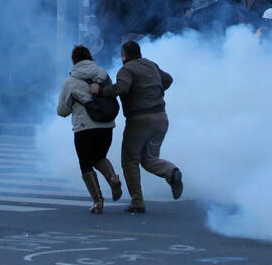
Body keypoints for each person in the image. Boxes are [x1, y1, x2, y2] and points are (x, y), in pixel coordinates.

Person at [90, 40, 182, 213]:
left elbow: (122, 88)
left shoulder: (126, 69)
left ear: (124, 55)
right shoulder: (151, 65)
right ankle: (172, 172)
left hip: (140, 119)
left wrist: (100, 91)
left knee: (130, 160)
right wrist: (154, 92)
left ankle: (137, 202)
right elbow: (168, 79)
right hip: (161, 118)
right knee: (149, 159)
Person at [57, 45, 123, 214]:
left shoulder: (70, 82)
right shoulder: (102, 73)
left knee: (86, 163)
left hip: (84, 128)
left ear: (74, 61)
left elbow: (62, 111)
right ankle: (113, 178)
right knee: (100, 156)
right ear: (89, 57)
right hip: (107, 125)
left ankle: (98, 201)